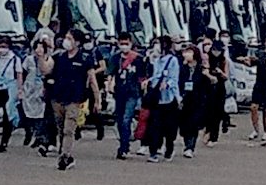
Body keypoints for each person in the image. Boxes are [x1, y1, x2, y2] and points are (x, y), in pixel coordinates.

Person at [44, 28, 98, 171]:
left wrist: (97, 100)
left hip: (74, 99)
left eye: (70, 39)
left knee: (69, 129)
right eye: (66, 38)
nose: (66, 41)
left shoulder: (85, 59)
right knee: (61, 129)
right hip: (57, 98)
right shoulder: (58, 57)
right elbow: (46, 70)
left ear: (77, 42)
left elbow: (92, 80)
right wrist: (40, 56)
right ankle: (66, 153)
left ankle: (64, 157)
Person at [107, 32, 149, 160]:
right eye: (122, 44)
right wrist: (109, 85)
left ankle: (124, 147)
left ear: (131, 44)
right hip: (119, 92)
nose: (124, 46)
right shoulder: (115, 58)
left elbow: (143, 77)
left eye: (126, 43)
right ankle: (123, 144)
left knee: (126, 119)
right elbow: (110, 74)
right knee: (120, 120)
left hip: (133, 92)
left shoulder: (138, 59)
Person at [142, 34, 182, 162]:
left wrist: (168, 84)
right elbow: (156, 75)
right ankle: (153, 152)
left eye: (159, 44)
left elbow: (174, 79)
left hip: (169, 98)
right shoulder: (157, 60)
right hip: (157, 98)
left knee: (169, 127)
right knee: (154, 125)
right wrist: (149, 81)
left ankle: (169, 148)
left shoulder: (173, 60)